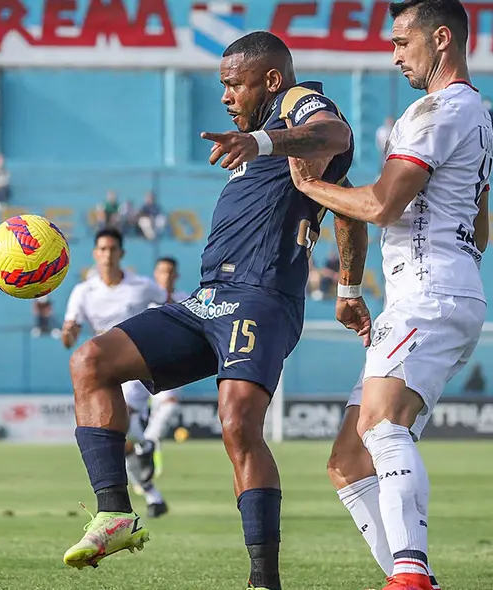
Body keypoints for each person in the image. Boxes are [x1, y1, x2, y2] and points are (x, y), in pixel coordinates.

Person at [62, 31, 354, 590]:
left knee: (237, 423)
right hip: (205, 299)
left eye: (233, 84)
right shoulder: (262, 134)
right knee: (90, 363)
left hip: (262, 297)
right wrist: (350, 287)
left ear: (270, 80)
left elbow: (334, 135)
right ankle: (114, 514)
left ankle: (263, 580)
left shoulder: (298, 108)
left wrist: (265, 144)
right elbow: (348, 214)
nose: (224, 96)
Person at [287, 2, 489, 589]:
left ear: (441, 39)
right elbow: (478, 227)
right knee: (348, 464)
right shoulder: (475, 114)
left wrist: (311, 186)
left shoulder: (437, 110)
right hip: (437, 290)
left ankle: (409, 577)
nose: (394, 54)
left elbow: (381, 206)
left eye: (403, 41)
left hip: (429, 292)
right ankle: (411, 574)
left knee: (382, 428)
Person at [62, 229, 173, 521]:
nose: (108, 254)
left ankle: (140, 456)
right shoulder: (83, 291)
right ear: (95, 254)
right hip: (103, 368)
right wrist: (69, 332)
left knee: (115, 427)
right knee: (121, 438)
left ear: (121, 253)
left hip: (136, 367)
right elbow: (68, 334)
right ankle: (151, 488)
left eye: (113, 249)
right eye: (102, 249)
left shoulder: (142, 285)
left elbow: (169, 303)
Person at [143, 257, 190, 478]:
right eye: (162, 271)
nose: (167, 276)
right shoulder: (145, 300)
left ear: (176, 275)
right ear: (155, 274)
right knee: (127, 420)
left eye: (170, 272)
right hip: (139, 365)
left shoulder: (185, 301)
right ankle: (137, 468)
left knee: (170, 406)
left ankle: (150, 443)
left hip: (170, 364)